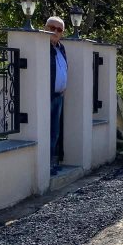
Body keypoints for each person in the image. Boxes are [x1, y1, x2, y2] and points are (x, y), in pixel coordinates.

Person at [47, 16, 67, 175]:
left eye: (59, 29)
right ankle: (45, 166)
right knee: (46, 131)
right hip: (46, 96)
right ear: (45, 28)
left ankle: (52, 163)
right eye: (52, 28)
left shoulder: (61, 48)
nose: (55, 31)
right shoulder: (42, 47)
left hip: (58, 96)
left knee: (55, 132)